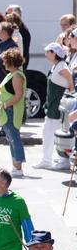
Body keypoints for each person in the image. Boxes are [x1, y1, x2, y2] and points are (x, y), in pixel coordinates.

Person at [0, 50, 28, 177]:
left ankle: (18, 167)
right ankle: (15, 165)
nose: (3, 63)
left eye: (5, 60)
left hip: (11, 111)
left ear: (11, 61)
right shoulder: (11, 75)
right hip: (7, 111)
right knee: (11, 139)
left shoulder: (17, 75)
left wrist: (6, 105)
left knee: (14, 138)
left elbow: (18, 95)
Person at [41, 42, 73, 171]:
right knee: (47, 133)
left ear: (54, 53)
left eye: (48, 51)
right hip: (51, 105)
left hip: (58, 106)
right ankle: (46, 160)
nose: (45, 54)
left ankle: (63, 161)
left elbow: (70, 80)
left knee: (60, 134)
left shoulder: (62, 66)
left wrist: (71, 93)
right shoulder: (55, 66)